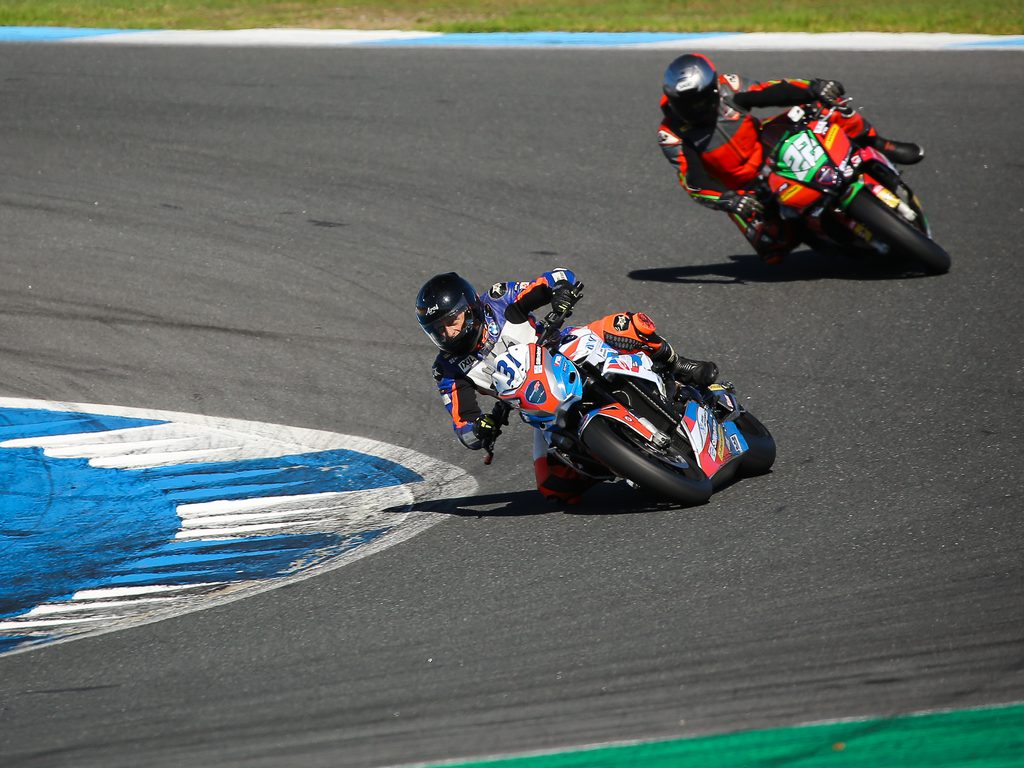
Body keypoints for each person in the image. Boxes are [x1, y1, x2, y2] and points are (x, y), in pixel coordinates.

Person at [415, 269, 719, 504]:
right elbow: (464, 428)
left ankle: (677, 364)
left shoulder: (498, 300)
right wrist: (481, 428)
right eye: (437, 330)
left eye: (451, 322)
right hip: (540, 402)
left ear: (469, 308)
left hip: (563, 350)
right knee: (554, 487)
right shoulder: (447, 369)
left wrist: (560, 293)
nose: (447, 334)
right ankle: (621, 461)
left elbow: (558, 277)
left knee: (626, 325)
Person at [657, 52, 925, 264]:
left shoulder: (730, 87)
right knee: (772, 248)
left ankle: (879, 143)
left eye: (698, 101)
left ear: (713, 90)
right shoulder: (671, 133)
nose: (693, 109)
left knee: (823, 107)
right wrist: (729, 199)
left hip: (768, 144)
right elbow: (693, 181)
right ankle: (819, 231)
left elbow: (772, 91)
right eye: (684, 104)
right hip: (743, 187)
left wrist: (815, 87)